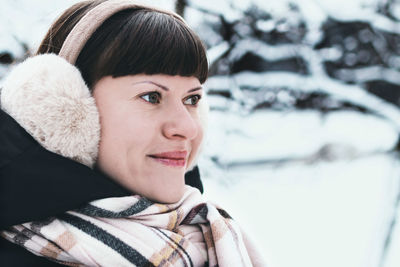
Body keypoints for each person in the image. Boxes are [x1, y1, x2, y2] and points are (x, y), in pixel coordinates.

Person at [0, 0, 265, 266]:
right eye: (151, 96)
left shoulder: (211, 239)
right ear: (65, 108)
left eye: (192, 99)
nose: (188, 128)